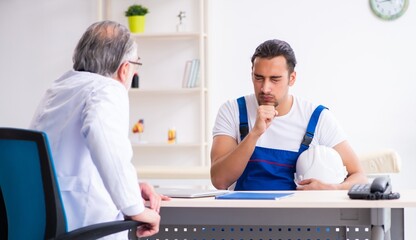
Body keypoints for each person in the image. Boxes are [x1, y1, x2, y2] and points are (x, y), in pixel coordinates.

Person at [30, 20, 168, 239]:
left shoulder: (59, 88)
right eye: (135, 65)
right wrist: (136, 209)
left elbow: (66, 164)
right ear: (125, 69)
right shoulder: (107, 89)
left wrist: (132, 185)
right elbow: (104, 138)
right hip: (82, 224)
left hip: (41, 220)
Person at [210, 39, 367, 191]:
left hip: (296, 216)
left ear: (292, 78)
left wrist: (332, 188)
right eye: (259, 78)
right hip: (242, 214)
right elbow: (219, 181)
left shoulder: (317, 117)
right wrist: (254, 134)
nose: (265, 88)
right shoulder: (232, 110)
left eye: (275, 79)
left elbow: (359, 176)